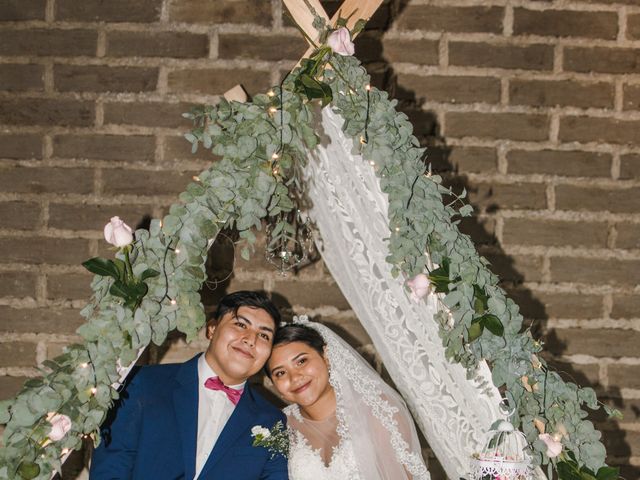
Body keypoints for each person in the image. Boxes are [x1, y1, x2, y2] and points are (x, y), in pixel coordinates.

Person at [90, 291, 288, 480]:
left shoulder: (272, 421)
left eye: (264, 335)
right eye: (240, 324)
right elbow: (110, 470)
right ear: (212, 329)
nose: (250, 339)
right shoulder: (141, 382)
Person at [266, 317, 430, 479]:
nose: (294, 377)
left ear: (326, 356)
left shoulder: (378, 411)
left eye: (301, 361)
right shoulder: (275, 429)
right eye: (280, 373)